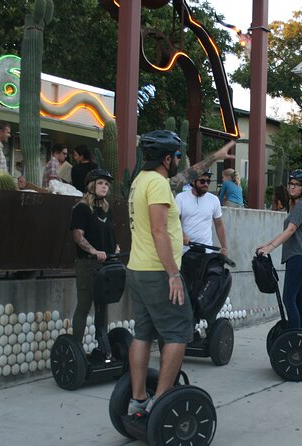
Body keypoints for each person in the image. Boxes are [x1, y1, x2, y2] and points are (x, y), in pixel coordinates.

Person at [126, 131, 235, 419]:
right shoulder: (159, 186)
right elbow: (159, 230)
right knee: (179, 332)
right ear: (166, 158)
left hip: (137, 270)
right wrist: (173, 274)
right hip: (158, 273)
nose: (179, 161)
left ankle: (137, 399)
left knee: (142, 334)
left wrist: (216, 157)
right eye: (176, 156)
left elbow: (184, 177)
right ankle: (160, 400)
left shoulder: (141, 181)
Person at [256, 170, 302, 329]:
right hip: (299, 258)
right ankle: (301, 332)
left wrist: (271, 248)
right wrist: (266, 245)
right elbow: (285, 232)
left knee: (289, 299)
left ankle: (295, 337)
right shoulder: (296, 206)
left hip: (299, 257)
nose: (292, 187)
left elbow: (290, 230)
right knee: (297, 299)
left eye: (297, 185)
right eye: (291, 184)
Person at [69, 169, 120, 346]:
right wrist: (93, 251)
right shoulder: (82, 208)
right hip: (87, 264)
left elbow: (109, 234)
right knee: (84, 305)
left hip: (106, 264)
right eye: (100, 183)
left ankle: (102, 346)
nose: (104, 187)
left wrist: (116, 246)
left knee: (102, 305)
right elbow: (78, 235)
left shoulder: (106, 209)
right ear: (92, 185)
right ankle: (76, 348)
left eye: (106, 184)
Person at [175, 170, 228, 256]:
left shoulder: (214, 200)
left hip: (206, 252)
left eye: (208, 181)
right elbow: (174, 221)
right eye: (202, 181)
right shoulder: (181, 198)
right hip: (184, 251)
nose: (206, 184)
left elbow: (219, 225)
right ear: (193, 181)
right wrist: (183, 235)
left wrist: (224, 247)